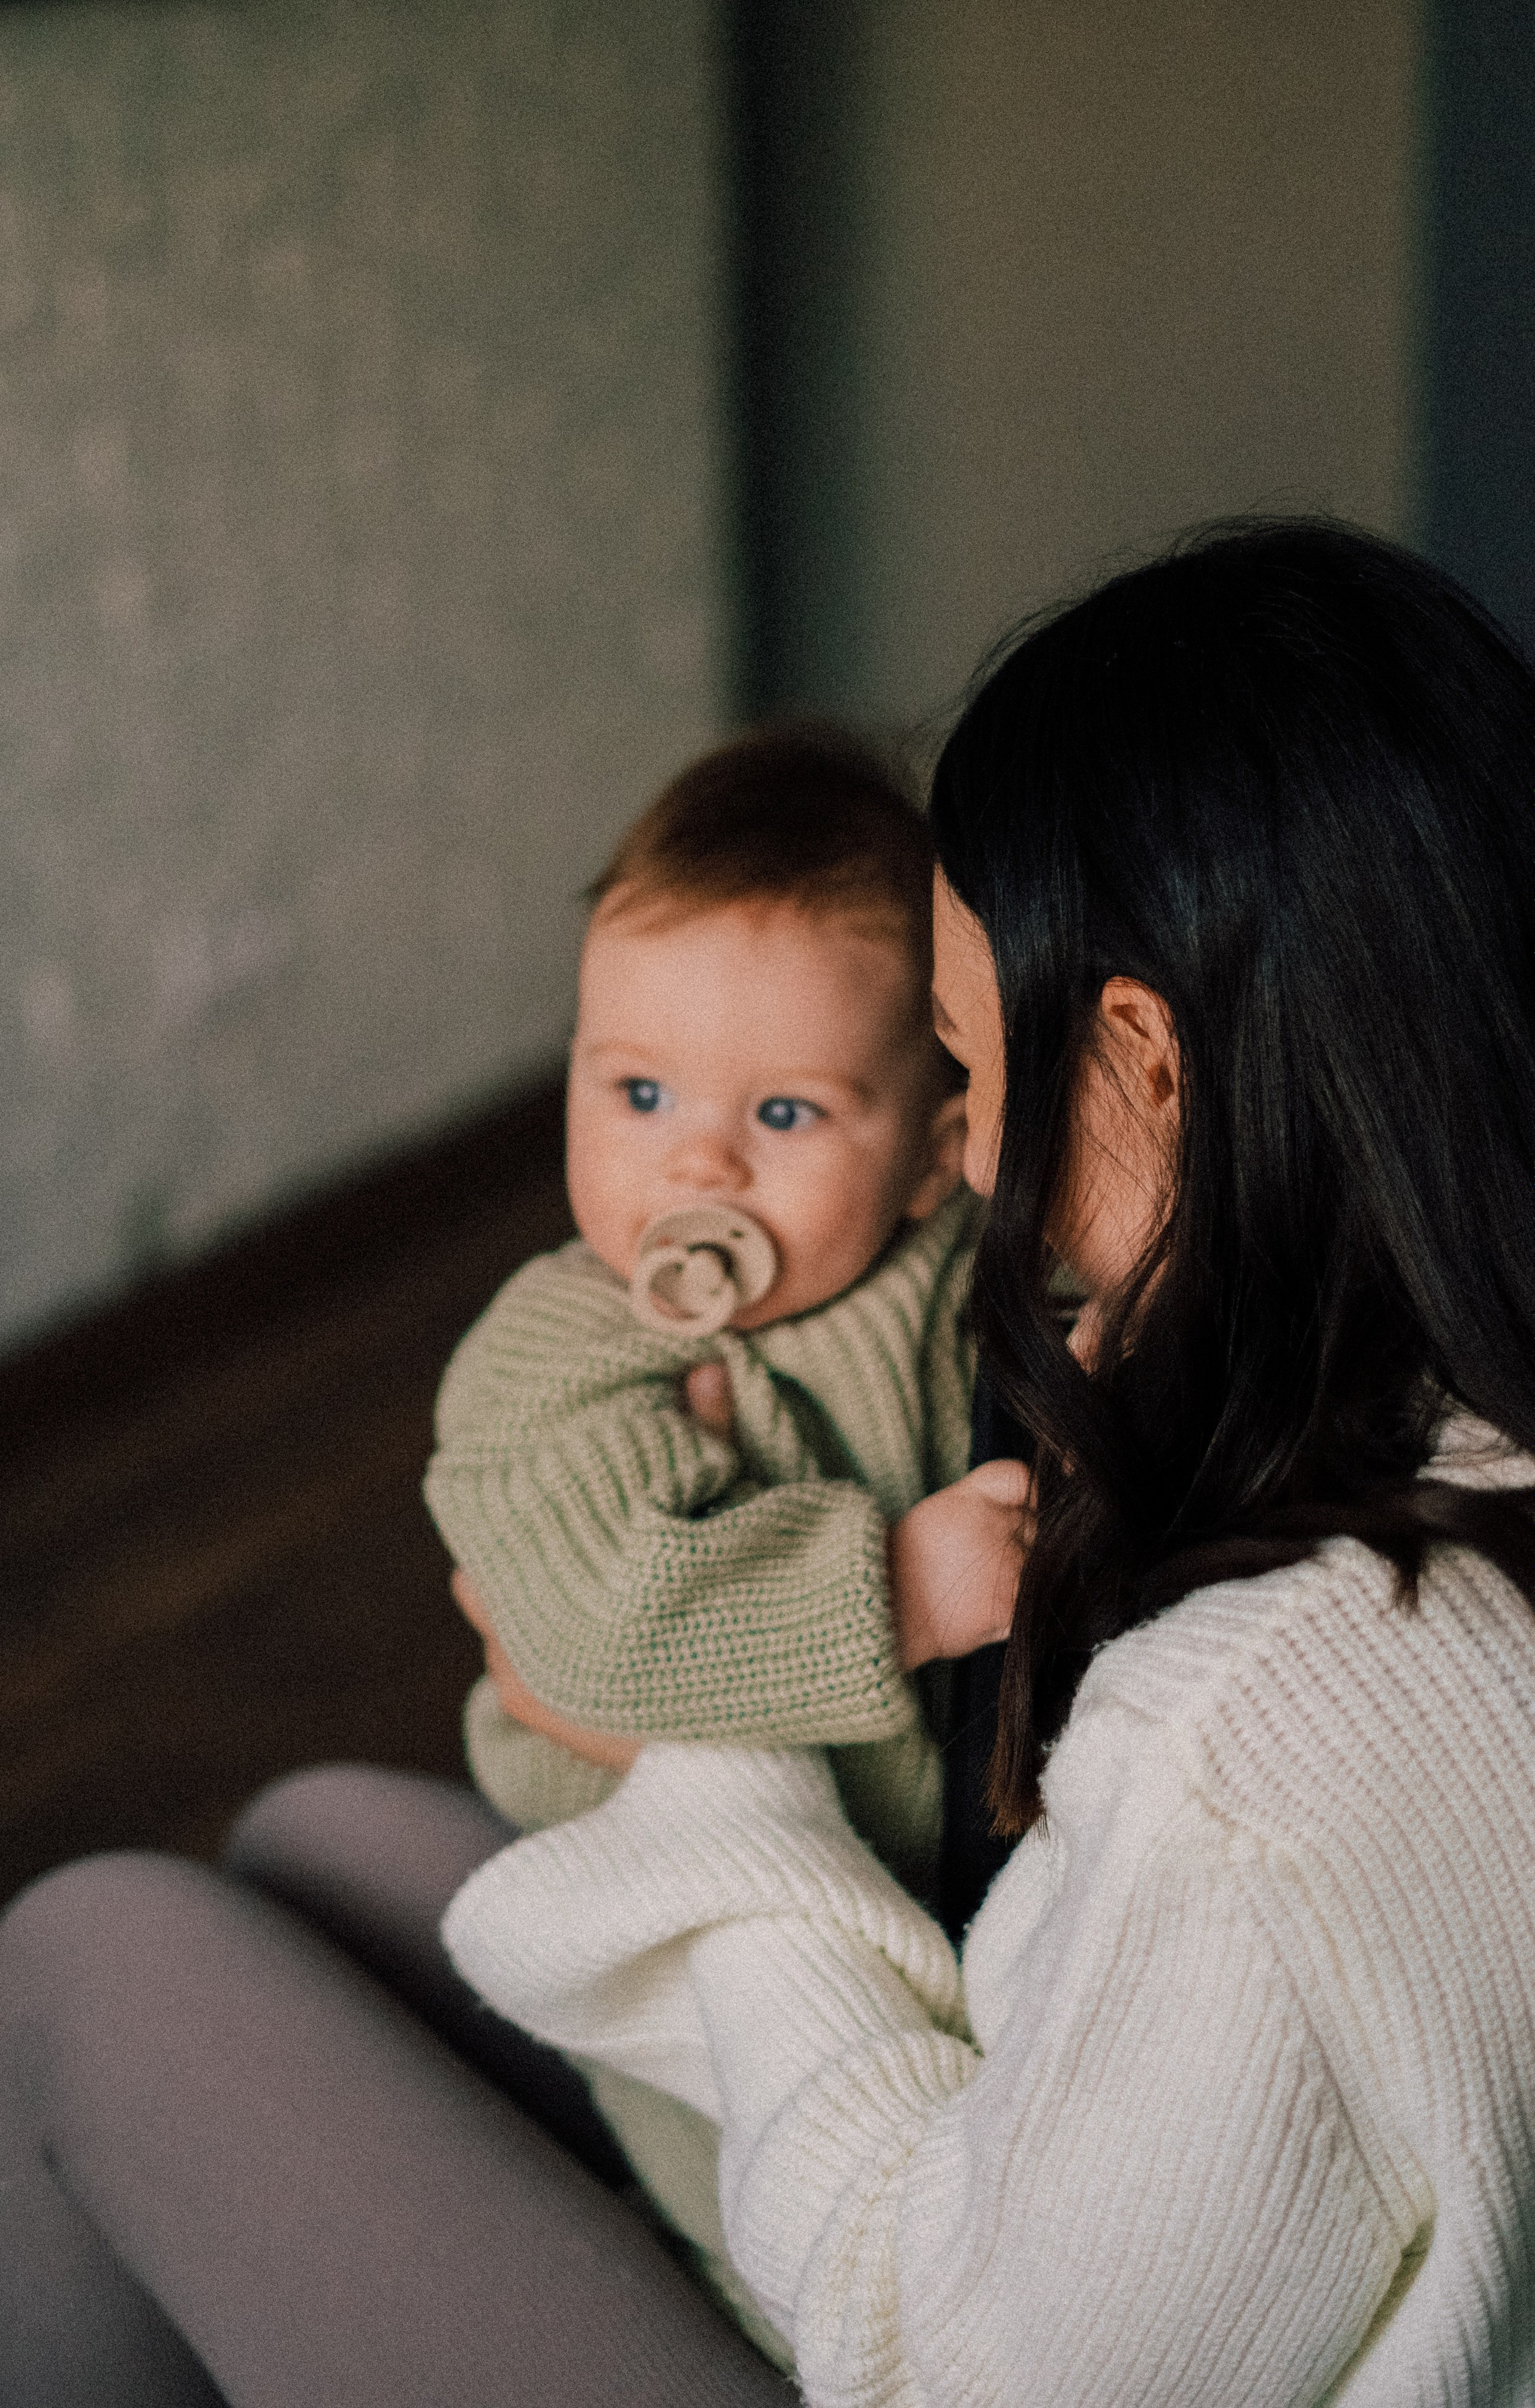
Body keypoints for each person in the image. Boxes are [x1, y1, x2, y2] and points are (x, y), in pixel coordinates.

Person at [1, 517, 1531, 2408]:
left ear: (1143, 1064)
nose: (981, 1173)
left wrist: (689, 1750)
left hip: (895, 2321)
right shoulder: (1418, 1411)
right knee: (315, 1839)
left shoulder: (1264, 1741)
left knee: (95, 1947)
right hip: (952, 2002)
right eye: (634, 1090)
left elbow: (949, 2365)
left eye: (958, 1075)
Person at [421, 727, 997, 2353]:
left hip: (936, 1868)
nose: (697, 1162)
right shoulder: (560, 1347)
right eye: (640, 1090)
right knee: (728, 2140)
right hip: (667, 1880)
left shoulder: (946, 1273)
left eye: (791, 1111)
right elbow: (597, 1634)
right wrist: (901, 1588)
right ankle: (758, 2309)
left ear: (942, 1147)